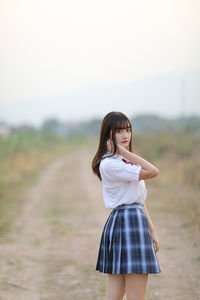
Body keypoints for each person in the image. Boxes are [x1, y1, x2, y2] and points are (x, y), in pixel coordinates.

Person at [92, 111, 161, 300]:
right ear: (108, 135)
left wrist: (152, 230)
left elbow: (139, 199)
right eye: (119, 131)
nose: (125, 135)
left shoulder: (120, 162)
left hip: (128, 221)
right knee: (134, 296)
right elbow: (153, 171)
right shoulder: (111, 164)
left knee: (115, 294)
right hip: (128, 223)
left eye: (128, 130)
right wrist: (124, 152)